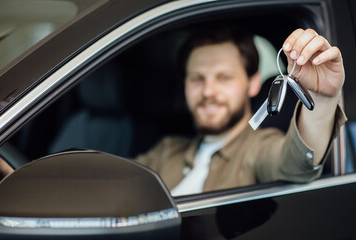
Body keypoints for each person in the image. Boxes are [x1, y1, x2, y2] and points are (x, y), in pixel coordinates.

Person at [135, 26, 347, 196]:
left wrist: (321, 98)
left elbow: (298, 165)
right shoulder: (165, 152)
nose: (208, 91)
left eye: (224, 78)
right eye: (197, 78)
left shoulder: (259, 150)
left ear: (253, 83)